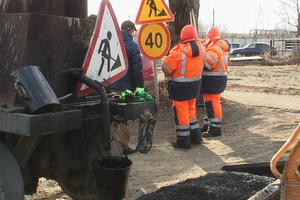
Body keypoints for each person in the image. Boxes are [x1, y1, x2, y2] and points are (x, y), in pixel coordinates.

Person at [162, 25, 206, 149]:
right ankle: (196, 137)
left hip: (180, 87)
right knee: (191, 111)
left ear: (182, 37)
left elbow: (167, 69)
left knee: (181, 113)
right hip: (195, 86)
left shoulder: (178, 51)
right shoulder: (202, 49)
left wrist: (165, 59)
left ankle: (183, 141)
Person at [111, 20, 144, 154]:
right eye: (133, 30)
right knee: (125, 117)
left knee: (110, 115)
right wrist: (139, 88)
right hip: (126, 88)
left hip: (110, 87)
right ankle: (123, 146)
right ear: (129, 29)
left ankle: (108, 145)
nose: (133, 33)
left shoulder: (111, 43)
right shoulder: (132, 46)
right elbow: (137, 71)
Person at [201, 27, 229, 137]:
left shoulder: (214, 48)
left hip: (212, 79)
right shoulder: (222, 47)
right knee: (210, 104)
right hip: (218, 79)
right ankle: (209, 125)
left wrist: (200, 57)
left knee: (212, 104)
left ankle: (215, 129)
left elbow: (208, 64)